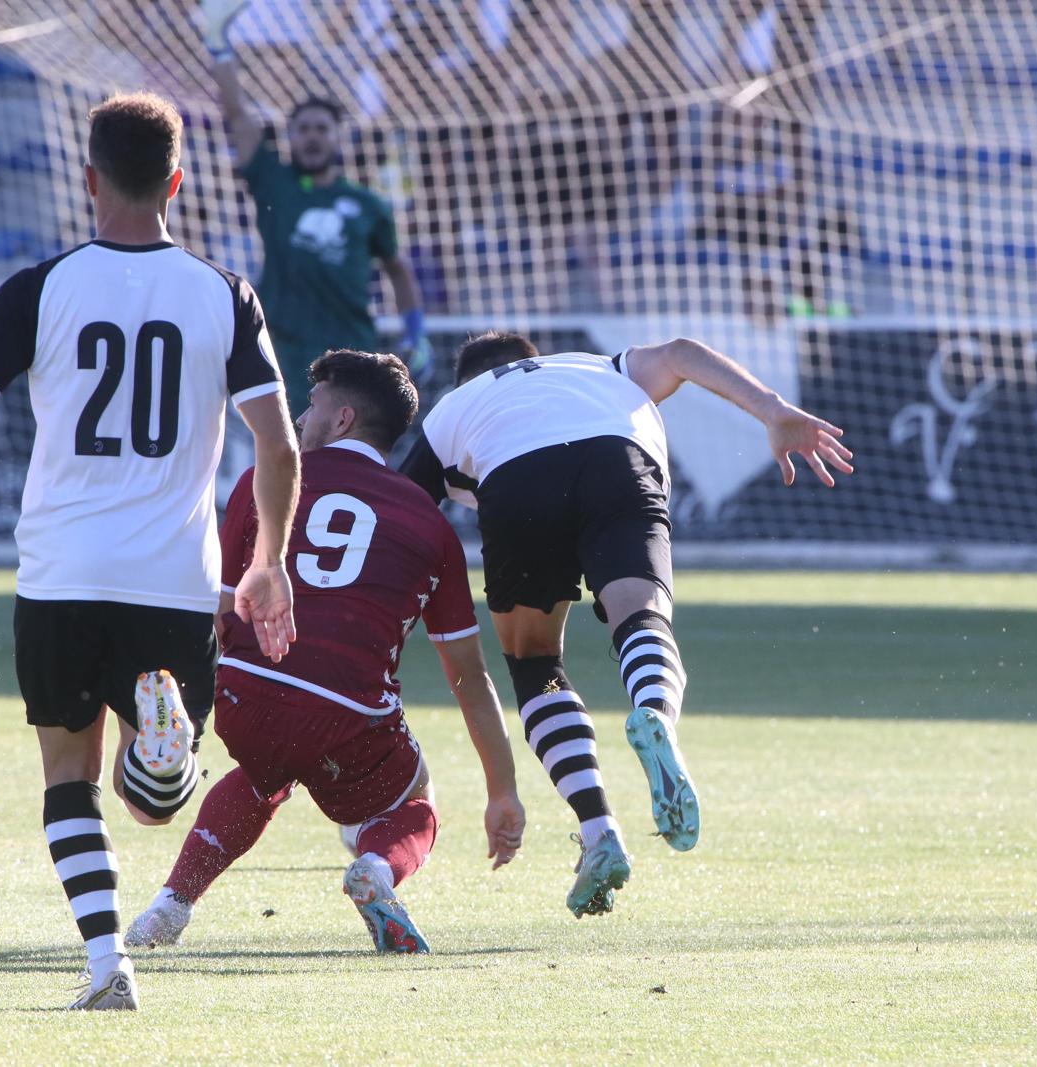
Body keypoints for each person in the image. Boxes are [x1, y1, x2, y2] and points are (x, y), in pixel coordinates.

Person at [0, 92, 302, 1010]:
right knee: (155, 802)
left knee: (70, 776)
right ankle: (166, 749)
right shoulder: (225, 294)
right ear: (177, 183)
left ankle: (109, 962)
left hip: (64, 574)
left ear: (88, 180)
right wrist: (267, 558)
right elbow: (278, 444)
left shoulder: (44, 286)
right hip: (173, 580)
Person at [400, 332, 853, 917]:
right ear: (536, 359)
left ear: (470, 379)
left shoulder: (457, 407)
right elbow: (681, 353)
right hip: (618, 455)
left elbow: (398, 509)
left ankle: (599, 832)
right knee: (642, 618)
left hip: (517, 480)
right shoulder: (597, 367)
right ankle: (654, 713)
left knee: (535, 662)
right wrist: (772, 408)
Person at [126, 350, 524, 954]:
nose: (299, 417)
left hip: (246, 694)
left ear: (341, 419)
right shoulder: (431, 524)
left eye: (309, 406)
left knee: (262, 774)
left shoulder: (264, 482)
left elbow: (219, 602)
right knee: (415, 800)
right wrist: (503, 789)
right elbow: (468, 674)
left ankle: (167, 908)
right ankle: (378, 869)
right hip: (350, 715)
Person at [202, 0, 432, 417]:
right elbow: (236, 112)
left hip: (352, 352)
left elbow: (397, 268)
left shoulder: (367, 205)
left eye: (322, 129)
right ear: (290, 135)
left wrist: (416, 332)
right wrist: (218, 44)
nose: (312, 137)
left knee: (348, 451)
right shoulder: (275, 181)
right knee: (288, 453)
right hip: (282, 351)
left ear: (339, 138)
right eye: (303, 129)